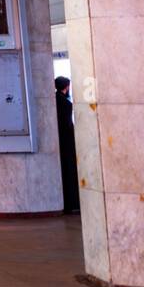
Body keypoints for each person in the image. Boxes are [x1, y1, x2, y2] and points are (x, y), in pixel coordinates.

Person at [55, 76, 79, 214]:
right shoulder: (66, 103)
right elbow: (68, 124)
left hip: (60, 142)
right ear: (66, 86)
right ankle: (73, 202)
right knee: (70, 171)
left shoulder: (54, 100)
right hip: (68, 142)